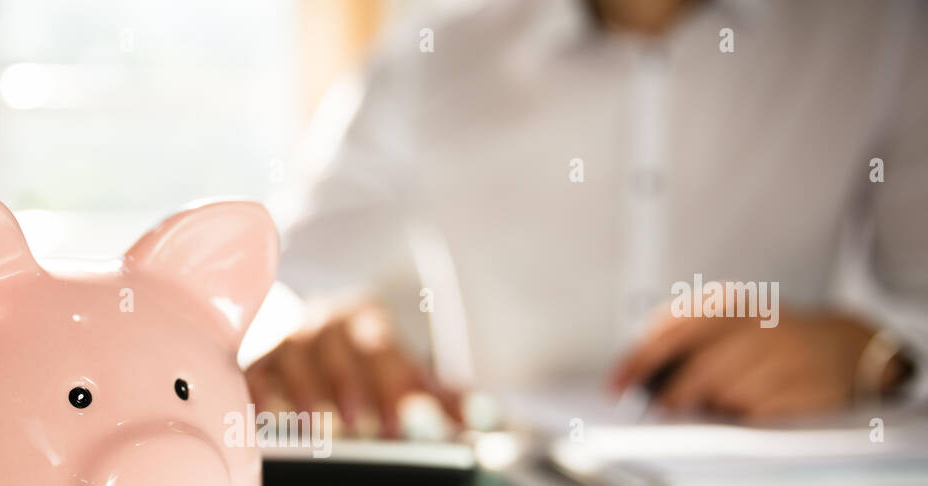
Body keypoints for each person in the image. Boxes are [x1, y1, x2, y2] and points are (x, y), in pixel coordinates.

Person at [248, 0, 927, 434]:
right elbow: (288, 282)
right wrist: (319, 330)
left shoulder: (886, 32)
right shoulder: (432, 53)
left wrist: (873, 352)